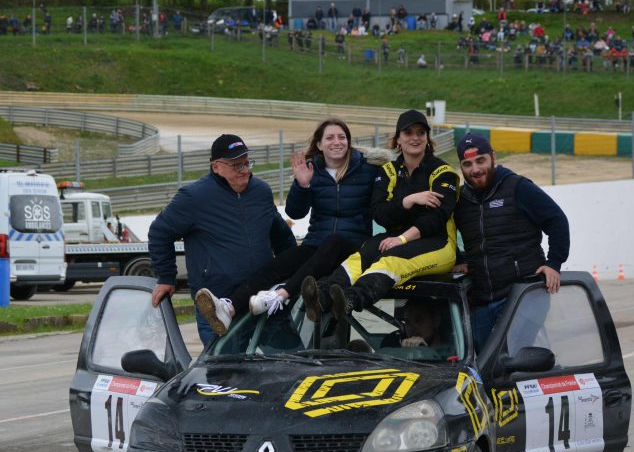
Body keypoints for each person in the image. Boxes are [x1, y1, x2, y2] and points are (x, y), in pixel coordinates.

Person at [192, 119, 381, 334]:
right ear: (319, 145)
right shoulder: (311, 171)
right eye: (329, 138)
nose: (336, 142)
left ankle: (281, 295)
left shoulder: (367, 169)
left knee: (333, 242)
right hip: (317, 246)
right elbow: (295, 213)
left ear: (349, 142)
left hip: (352, 249)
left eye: (342, 137)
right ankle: (229, 308)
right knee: (280, 263)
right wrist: (303, 185)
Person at [301, 110, 458, 323]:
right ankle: (322, 297)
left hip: (437, 242)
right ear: (398, 139)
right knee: (360, 257)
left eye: (421, 133)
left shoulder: (443, 172)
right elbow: (380, 214)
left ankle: (350, 300)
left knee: (391, 261)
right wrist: (408, 201)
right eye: (408, 132)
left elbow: (436, 218)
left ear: (427, 139)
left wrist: (401, 238)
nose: (415, 137)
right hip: (394, 238)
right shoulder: (388, 171)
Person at [148, 134, 296, 345]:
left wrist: (293, 276)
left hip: (264, 299)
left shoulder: (261, 192)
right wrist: (165, 276)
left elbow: (282, 237)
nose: (244, 170)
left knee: (289, 362)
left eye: (246, 163)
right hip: (217, 305)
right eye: (236, 165)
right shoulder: (194, 197)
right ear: (216, 167)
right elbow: (159, 232)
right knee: (227, 374)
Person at [452, 133, 570, 351]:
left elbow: (557, 221)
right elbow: (446, 234)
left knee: (513, 359)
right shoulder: (461, 200)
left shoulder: (517, 187)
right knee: (484, 365)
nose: (475, 169)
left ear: (493, 157)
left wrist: (554, 263)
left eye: (480, 161)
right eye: (467, 164)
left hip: (522, 295)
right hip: (482, 299)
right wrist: (460, 258)